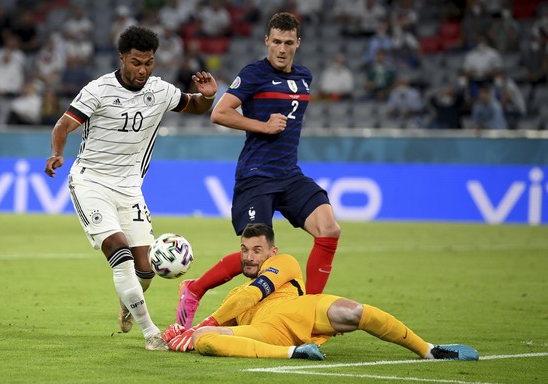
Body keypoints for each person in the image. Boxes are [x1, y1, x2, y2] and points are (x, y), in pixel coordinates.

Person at [43, 25, 218, 350]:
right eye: (136, 62)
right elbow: (63, 124)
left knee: (145, 268)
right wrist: (57, 154)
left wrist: (207, 96)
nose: (142, 69)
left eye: (149, 62)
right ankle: (152, 334)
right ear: (122, 58)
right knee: (120, 254)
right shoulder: (98, 90)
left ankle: (128, 302)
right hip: (91, 182)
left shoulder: (161, 90)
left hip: (130, 188)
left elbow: (193, 106)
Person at [175, 12, 341, 329]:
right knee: (257, 255)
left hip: (289, 174)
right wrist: (263, 126)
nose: (281, 48)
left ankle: (310, 311)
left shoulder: (305, 76)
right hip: (256, 175)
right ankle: (194, 289)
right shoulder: (254, 73)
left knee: (329, 229)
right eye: (276, 41)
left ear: (298, 44)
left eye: (288, 43)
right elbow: (220, 113)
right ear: (267, 41)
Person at [161, 223, 479, 362]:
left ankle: (428, 350)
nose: (249, 256)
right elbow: (231, 326)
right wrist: (189, 335)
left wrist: (202, 325)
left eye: (257, 250)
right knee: (205, 343)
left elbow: (251, 297)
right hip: (265, 333)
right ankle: (293, 354)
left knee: (353, 311)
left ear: (272, 251)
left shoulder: (283, 263)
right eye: (244, 250)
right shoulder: (236, 292)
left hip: (304, 311)